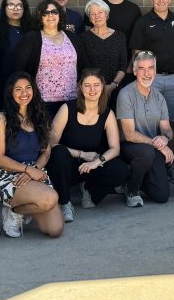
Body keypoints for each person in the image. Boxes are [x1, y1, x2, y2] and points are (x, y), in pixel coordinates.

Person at [47, 70, 130, 223]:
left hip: (90, 166)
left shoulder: (107, 113)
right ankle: (65, 203)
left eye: (96, 85)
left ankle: (89, 192)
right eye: (87, 85)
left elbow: (115, 148)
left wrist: (96, 162)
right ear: (80, 87)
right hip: (66, 168)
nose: (92, 90)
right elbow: (50, 144)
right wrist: (81, 154)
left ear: (103, 87)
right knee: (59, 153)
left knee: (121, 169)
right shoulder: (67, 109)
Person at [0, 73, 64, 238]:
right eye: (18, 89)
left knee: (55, 229)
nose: (24, 93)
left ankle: (21, 208)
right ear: (10, 93)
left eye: (28, 88)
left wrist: (34, 169)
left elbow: (46, 151)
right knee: (50, 199)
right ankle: (13, 211)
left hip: (35, 172)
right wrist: (28, 170)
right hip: (10, 175)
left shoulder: (39, 116)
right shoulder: (0, 119)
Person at [116, 52, 174, 207]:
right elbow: (129, 134)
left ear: (155, 71)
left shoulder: (159, 97)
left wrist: (165, 138)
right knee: (146, 152)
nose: (147, 73)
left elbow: (167, 129)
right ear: (135, 72)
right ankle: (131, 189)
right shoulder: (126, 94)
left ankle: (139, 178)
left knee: (162, 195)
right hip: (129, 147)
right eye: (142, 69)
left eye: (150, 68)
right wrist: (157, 144)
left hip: (152, 148)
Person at [14, 0, 85, 120]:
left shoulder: (72, 37)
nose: (50, 15)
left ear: (59, 15)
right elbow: (19, 69)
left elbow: (84, 65)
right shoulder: (31, 38)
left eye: (54, 12)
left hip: (71, 101)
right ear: (40, 17)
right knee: (46, 136)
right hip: (42, 102)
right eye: (46, 13)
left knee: (68, 138)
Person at [130, 0, 174, 121]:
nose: (161, 0)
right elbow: (137, 53)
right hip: (150, 80)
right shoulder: (142, 22)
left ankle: (172, 143)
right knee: (150, 119)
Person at [82, 0, 129, 105]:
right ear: (89, 18)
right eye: (92, 14)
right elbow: (82, 67)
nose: (97, 16)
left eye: (100, 12)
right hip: (92, 91)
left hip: (115, 89)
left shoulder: (119, 36)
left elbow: (123, 65)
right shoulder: (83, 38)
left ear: (106, 14)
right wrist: (96, 88)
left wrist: (112, 85)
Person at [0, 0, 29, 93]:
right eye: (11, 6)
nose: (15, 9)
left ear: (24, 9)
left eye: (19, 6)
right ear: (4, 8)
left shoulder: (32, 30)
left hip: (28, 85)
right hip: (4, 84)